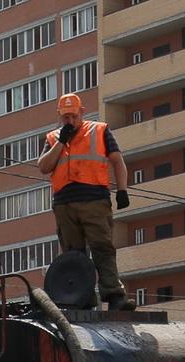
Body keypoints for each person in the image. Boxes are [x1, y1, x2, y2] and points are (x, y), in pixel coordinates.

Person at [33, 93, 133, 310]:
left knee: (102, 247)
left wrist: (122, 190)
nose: (70, 120)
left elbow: (117, 161)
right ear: (60, 115)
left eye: (74, 116)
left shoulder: (99, 130)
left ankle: (114, 295)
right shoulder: (53, 138)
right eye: (65, 117)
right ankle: (80, 298)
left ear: (82, 112)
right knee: (72, 253)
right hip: (64, 204)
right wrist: (61, 141)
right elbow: (44, 166)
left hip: (94, 200)